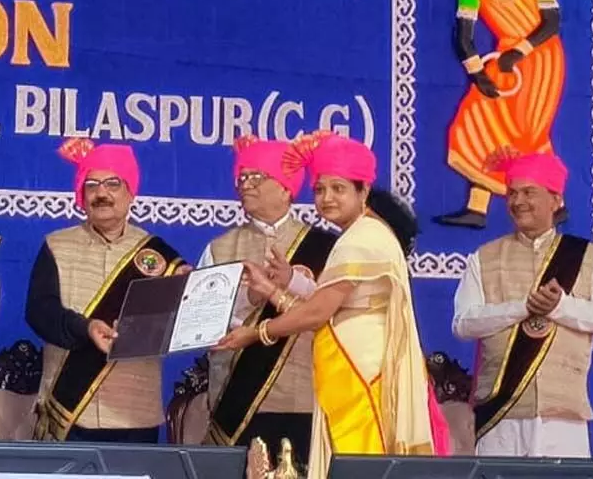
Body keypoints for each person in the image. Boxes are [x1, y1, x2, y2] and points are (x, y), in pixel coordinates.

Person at [215, 133, 436, 478]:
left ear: (363, 191)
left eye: (338, 188)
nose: (326, 198)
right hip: (352, 368)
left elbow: (318, 313)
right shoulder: (362, 234)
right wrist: (278, 287)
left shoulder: (362, 238)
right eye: (319, 189)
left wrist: (257, 333)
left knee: (358, 466)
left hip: (359, 373)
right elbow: (330, 306)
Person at [452, 149, 593, 458]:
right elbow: (463, 323)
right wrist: (522, 307)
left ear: (556, 200)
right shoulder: (484, 257)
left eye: (529, 192)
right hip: (501, 417)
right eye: (512, 193)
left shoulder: (585, 256)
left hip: (564, 417)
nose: (518, 201)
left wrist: (559, 307)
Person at [26, 139, 188, 443]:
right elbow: (39, 311)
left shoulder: (161, 257)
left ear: (130, 192)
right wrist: (85, 328)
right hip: (69, 411)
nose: (101, 194)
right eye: (92, 185)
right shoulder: (56, 245)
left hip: (134, 412)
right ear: (81, 195)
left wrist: (190, 295)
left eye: (113, 184)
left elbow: (182, 324)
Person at [199, 136, 336, 456]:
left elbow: (336, 314)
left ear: (286, 188)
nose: (245, 184)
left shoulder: (326, 247)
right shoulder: (219, 247)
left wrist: (287, 286)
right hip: (238, 399)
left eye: (256, 176)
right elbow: (203, 322)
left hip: (309, 397)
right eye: (242, 177)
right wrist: (249, 297)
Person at [436, 0, 567, 229]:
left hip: (541, 58)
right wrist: (476, 72)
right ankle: (477, 208)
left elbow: (552, 22)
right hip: (506, 60)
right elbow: (463, 34)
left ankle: (555, 204)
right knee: (476, 119)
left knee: (529, 130)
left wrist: (521, 50)